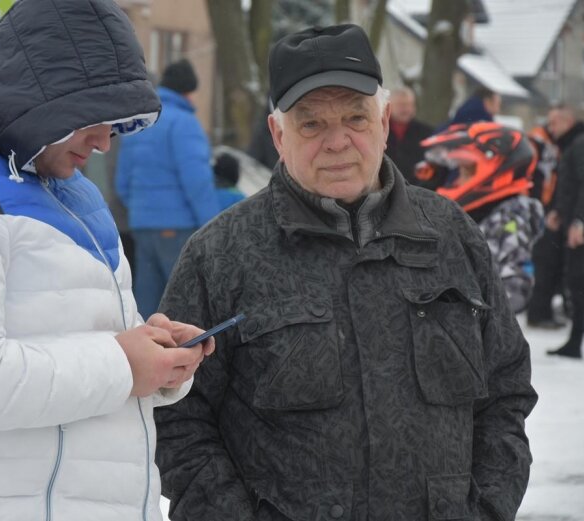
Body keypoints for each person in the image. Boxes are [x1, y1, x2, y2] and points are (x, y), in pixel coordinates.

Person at [154, 24, 537, 521]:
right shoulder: (220, 254)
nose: (337, 142)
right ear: (277, 134)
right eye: (310, 124)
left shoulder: (451, 236)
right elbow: (177, 416)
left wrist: (486, 508)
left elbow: (506, 392)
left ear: (382, 121)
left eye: (355, 117)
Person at [0, 1, 213, 520]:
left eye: (116, 121)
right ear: (43, 94)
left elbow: (83, 343)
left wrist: (153, 355)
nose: (105, 141)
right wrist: (122, 363)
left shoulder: (69, 187)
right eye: (94, 116)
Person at [115, 58, 219, 319]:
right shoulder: (184, 123)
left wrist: (143, 210)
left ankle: (144, 356)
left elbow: (122, 181)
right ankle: (187, 357)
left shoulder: (142, 123)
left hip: (142, 226)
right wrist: (214, 225)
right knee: (184, 302)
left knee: (147, 302)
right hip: (177, 227)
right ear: (188, 91)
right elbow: (197, 182)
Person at [423, 122, 544, 313]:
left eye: (467, 171)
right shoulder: (479, 211)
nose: (458, 180)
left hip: (476, 333)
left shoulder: (509, 217)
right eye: (459, 172)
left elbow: (515, 288)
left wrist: (464, 312)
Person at [544, 104, 584, 359]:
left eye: (554, 123)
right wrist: (559, 211)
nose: (551, 129)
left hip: (581, 228)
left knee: (579, 281)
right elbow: (570, 186)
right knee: (576, 281)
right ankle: (575, 338)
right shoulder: (573, 144)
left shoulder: (581, 143)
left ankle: (576, 340)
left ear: (568, 121)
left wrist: (579, 222)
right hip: (574, 222)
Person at [526, 124, 567, 329]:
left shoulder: (547, 143)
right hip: (539, 209)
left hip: (543, 208)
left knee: (546, 264)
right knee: (544, 264)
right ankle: (538, 312)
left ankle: (541, 311)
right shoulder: (539, 143)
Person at [385, 86, 433, 183]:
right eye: (401, 105)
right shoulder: (379, 131)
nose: (406, 109)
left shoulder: (427, 133)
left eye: (409, 105)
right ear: (389, 107)